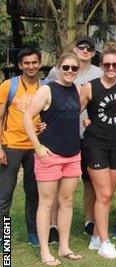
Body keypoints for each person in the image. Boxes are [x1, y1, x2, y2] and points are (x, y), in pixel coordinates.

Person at [23, 53, 83, 266]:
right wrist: (37, 147)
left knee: (66, 201)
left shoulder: (76, 90)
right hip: (50, 155)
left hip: (73, 155)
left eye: (74, 68)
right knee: (46, 203)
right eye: (65, 67)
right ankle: (45, 251)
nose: (69, 72)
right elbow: (27, 118)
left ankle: (64, 247)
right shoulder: (47, 89)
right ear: (58, 68)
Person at [45, 36, 103, 243]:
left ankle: (89, 220)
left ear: (94, 53)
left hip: (87, 136)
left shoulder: (99, 73)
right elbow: (45, 99)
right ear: (75, 49)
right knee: (57, 183)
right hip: (60, 136)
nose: (85, 51)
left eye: (89, 48)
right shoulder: (56, 71)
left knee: (90, 181)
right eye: (81, 47)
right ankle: (52, 225)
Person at [79, 43, 116, 259]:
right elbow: (73, 110)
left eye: (115, 64)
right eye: (107, 64)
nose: (111, 68)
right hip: (96, 145)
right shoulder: (90, 86)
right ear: (101, 65)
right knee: (105, 194)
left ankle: (96, 237)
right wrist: (85, 123)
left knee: (109, 192)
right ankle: (105, 242)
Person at [0, 48, 43, 247]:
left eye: (34, 62)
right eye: (26, 63)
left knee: (33, 194)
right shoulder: (9, 86)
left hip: (35, 148)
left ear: (40, 63)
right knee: (5, 195)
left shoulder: (45, 87)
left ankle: (33, 233)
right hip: (11, 146)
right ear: (20, 65)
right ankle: (3, 236)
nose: (31, 66)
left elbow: (48, 117)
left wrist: (45, 126)